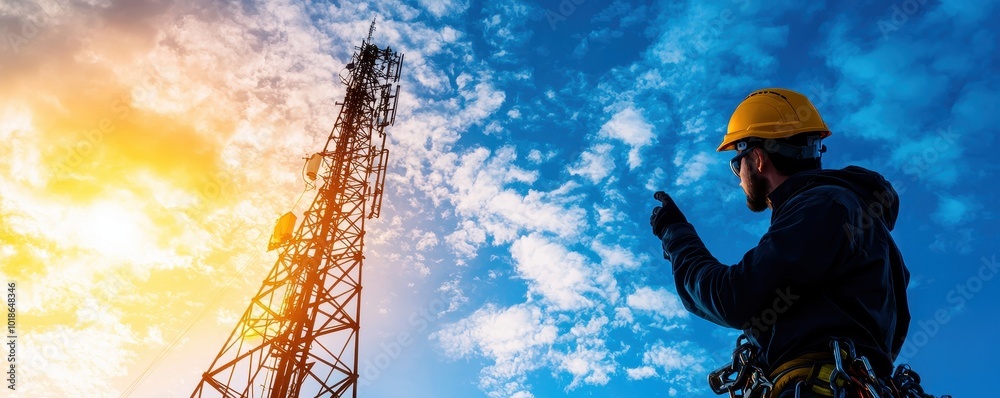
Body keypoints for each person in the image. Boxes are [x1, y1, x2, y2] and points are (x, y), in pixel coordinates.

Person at [649, 88, 913, 397]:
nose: (738, 178)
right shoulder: (858, 224)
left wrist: (677, 237)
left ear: (758, 158)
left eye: (737, 163)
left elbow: (734, 298)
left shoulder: (823, 208)